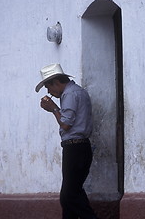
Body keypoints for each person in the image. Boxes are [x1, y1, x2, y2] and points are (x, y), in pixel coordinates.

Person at [35, 63, 98, 219]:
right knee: (73, 193)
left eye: (49, 87)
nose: (49, 92)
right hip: (79, 147)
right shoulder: (78, 92)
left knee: (68, 195)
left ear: (55, 82)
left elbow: (66, 124)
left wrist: (54, 109)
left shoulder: (69, 94)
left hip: (75, 148)